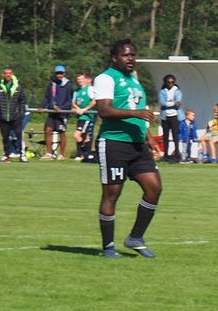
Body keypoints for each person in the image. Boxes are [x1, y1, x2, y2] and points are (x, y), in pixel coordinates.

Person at [91, 39, 162, 258]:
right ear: (115, 58)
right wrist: (136, 113)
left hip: (137, 144)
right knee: (112, 194)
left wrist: (149, 138)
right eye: (126, 55)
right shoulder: (105, 78)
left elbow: (138, 111)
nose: (131, 59)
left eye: (133, 55)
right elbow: (104, 110)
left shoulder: (134, 79)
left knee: (154, 188)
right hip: (114, 143)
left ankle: (135, 238)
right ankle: (108, 247)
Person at [0, 67, 28, 162]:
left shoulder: (18, 86)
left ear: (12, 74)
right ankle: (6, 154)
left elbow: (22, 101)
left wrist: (21, 114)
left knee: (18, 136)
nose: (7, 75)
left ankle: (22, 154)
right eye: (6, 73)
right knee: (5, 137)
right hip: (3, 116)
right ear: (3, 74)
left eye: (9, 73)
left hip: (15, 116)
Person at [42, 65, 73, 159]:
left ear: (64, 74)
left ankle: (61, 154)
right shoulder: (52, 84)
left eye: (61, 73)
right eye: (57, 73)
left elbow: (70, 100)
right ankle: (48, 153)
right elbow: (47, 97)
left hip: (62, 113)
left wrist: (61, 108)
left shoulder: (68, 85)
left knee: (61, 132)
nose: (59, 75)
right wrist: (42, 106)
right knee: (48, 130)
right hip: (52, 112)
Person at [158, 74, 183, 163]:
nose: (170, 83)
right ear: (165, 82)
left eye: (172, 82)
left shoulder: (177, 91)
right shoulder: (163, 91)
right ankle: (166, 155)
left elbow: (178, 102)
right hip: (165, 116)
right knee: (165, 136)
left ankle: (177, 154)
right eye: (168, 82)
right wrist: (172, 103)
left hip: (175, 116)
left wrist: (167, 104)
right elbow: (162, 102)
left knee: (175, 136)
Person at [71, 73, 96, 160]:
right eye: (78, 79)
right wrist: (78, 109)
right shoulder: (77, 91)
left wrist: (85, 109)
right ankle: (86, 154)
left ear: (85, 79)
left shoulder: (89, 89)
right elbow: (73, 102)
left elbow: (94, 101)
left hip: (87, 117)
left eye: (81, 79)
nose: (79, 81)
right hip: (80, 116)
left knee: (77, 135)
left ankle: (83, 153)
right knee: (85, 137)